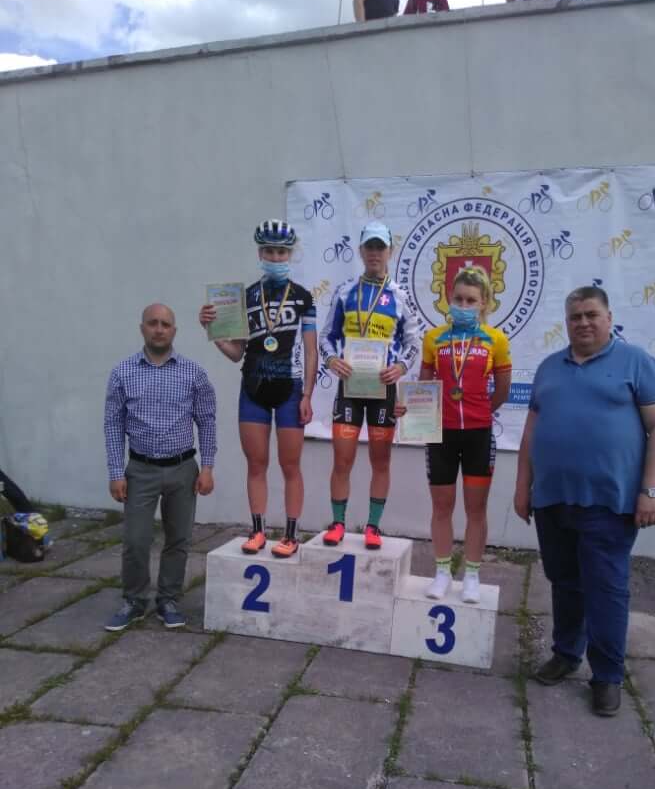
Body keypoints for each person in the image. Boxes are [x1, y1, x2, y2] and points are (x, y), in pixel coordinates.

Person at [514, 285, 655, 716]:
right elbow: (531, 432)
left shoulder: (636, 362)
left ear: (609, 319)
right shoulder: (549, 367)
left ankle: (606, 676)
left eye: (591, 315)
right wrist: (522, 487)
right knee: (564, 581)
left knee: (605, 589)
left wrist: (652, 490)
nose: (583, 323)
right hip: (552, 500)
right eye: (575, 317)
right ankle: (566, 653)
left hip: (610, 503)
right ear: (566, 323)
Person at [199, 220, 317, 558]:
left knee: (290, 465)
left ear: (290, 254)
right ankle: (257, 531)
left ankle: (291, 535)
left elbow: (311, 351)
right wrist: (214, 333)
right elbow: (237, 351)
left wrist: (308, 395)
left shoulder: (303, 297)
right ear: (260, 253)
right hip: (253, 388)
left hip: (290, 388)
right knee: (256, 464)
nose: (276, 257)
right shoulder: (247, 297)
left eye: (281, 252)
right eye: (269, 251)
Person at [104, 303, 216, 631]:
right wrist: (116, 472)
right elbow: (113, 424)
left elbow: (207, 421)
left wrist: (207, 467)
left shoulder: (193, 373)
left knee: (178, 539)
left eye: (165, 324)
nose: (159, 329)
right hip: (140, 470)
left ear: (174, 331)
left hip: (183, 469)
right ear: (142, 328)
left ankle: (168, 600)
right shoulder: (123, 372)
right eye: (152, 323)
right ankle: (135, 601)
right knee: (136, 540)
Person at [408, 266, 511, 603]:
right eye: (459, 299)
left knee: (476, 509)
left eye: (471, 300)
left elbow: (503, 390)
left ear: (484, 304)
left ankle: (472, 575)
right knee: (441, 507)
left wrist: (480, 412)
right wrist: (412, 409)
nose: (463, 305)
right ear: (449, 299)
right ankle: (441, 572)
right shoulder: (433, 338)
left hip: (479, 434)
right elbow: (424, 387)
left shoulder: (496, 340)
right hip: (441, 435)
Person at [319, 221, 419, 549]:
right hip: (350, 387)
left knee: (381, 461)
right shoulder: (345, 291)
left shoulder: (400, 295)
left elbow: (413, 342)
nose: (375, 253)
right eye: (370, 247)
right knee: (342, 459)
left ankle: (373, 527)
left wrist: (401, 366)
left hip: (382, 390)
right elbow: (326, 337)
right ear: (361, 251)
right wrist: (331, 360)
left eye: (381, 247)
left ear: (390, 251)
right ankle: (337, 523)